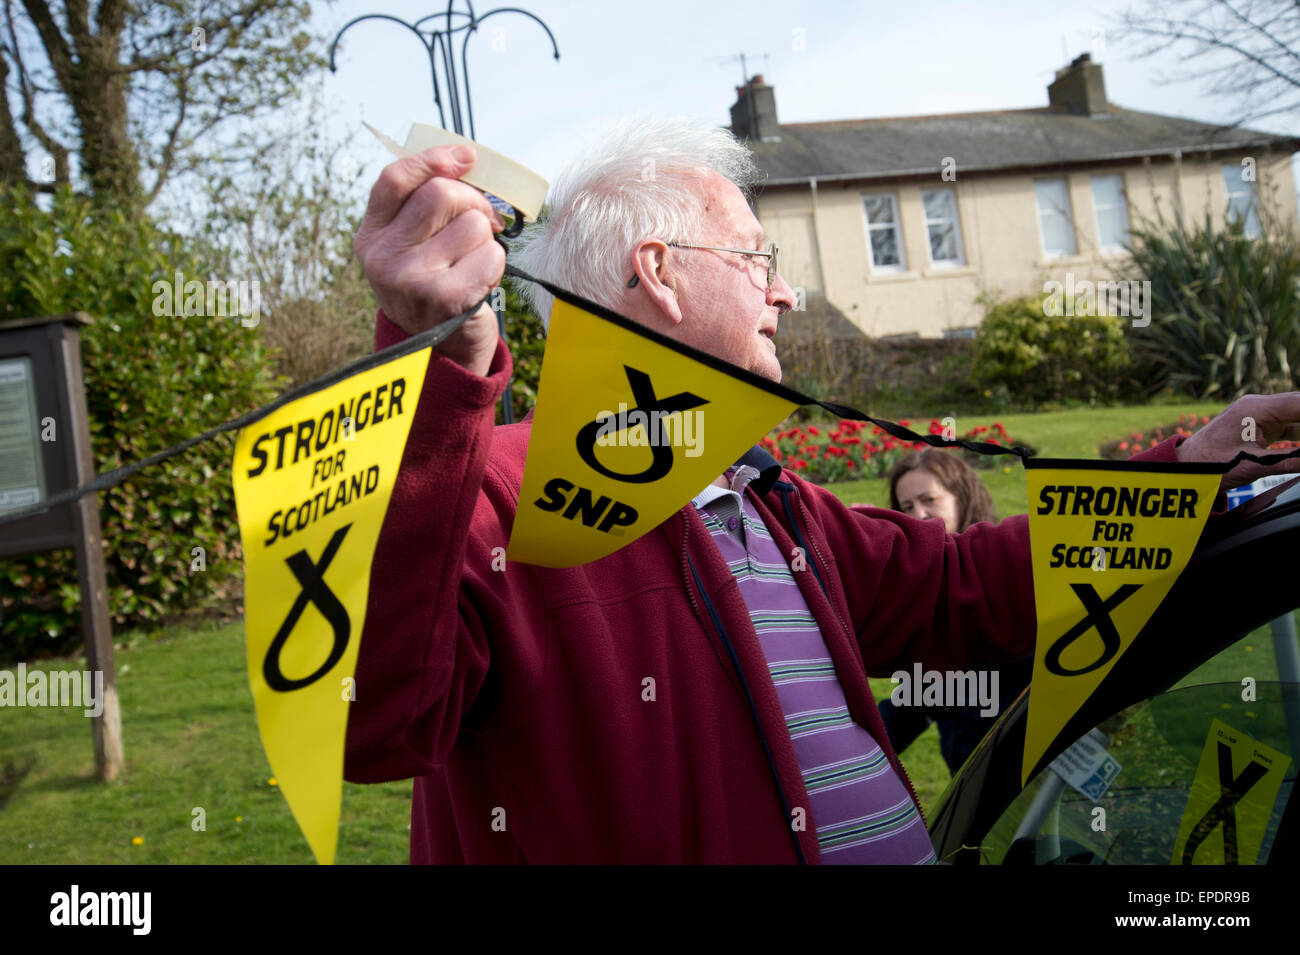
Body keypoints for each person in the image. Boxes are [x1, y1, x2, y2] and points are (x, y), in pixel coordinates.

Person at [344, 117, 1300, 864]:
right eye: (759, 257)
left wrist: (1191, 471)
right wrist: (435, 381)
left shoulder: (770, 501)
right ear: (659, 273)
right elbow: (370, 717)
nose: (788, 292)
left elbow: (968, 587)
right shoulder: (493, 496)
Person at [878, 449, 1031, 774]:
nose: (918, 515)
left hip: (1026, 775)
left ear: (961, 497)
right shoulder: (928, 593)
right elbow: (924, 696)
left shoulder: (1005, 574)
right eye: (907, 507)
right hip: (970, 783)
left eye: (929, 500)